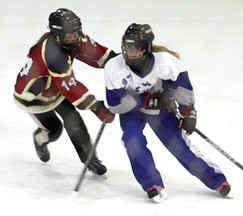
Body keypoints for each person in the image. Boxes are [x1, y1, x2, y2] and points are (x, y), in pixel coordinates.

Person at [104, 23, 231, 203]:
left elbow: (182, 87)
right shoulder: (114, 67)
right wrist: (144, 100)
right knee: (132, 141)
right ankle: (151, 184)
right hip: (132, 112)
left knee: (179, 146)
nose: (131, 53)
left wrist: (188, 113)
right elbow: (116, 104)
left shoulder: (166, 62)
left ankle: (216, 180)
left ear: (147, 48)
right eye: (128, 48)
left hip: (161, 110)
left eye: (137, 49)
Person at [13, 8, 116, 176]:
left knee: (74, 120)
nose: (74, 37)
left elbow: (97, 54)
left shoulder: (74, 38)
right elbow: (71, 87)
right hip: (33, 98)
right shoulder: (53, 54)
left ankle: (90, 159)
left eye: (76, 32)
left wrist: (120, 62)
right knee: (55, 130)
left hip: (54, 87)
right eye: (69, 35)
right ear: (56, 35)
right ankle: (40, 139)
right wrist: (96, 107)